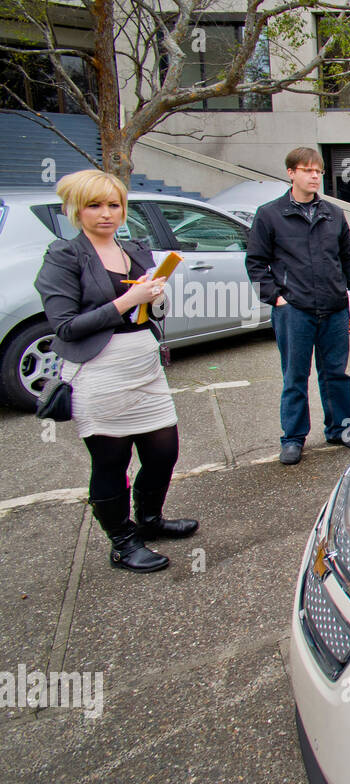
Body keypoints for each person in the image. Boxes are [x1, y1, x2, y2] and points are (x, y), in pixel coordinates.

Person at [34, 169, 197, 573]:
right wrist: (128, 300)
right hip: (98, 371)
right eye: (94, 205)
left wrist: (154, 298)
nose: (106, 214)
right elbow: (65, 325)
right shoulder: (64, 256)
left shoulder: (136, 248)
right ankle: (122, 542)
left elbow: (151, 311)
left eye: (113, 205)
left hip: (144, 366)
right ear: (75, 210)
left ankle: (149, 520)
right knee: (111, 461)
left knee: (163, 452)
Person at [245, 147, 350, 465]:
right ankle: (293, 438)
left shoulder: (333, 214)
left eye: (319, 171)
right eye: (308, 170)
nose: (314, 176)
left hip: (334, 306)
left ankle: (341, 429)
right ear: (291, 173)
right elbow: (255, 264)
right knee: (295, 376)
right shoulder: (270, 214)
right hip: (294, 309)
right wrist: (276, 297)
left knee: (336, 373)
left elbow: (348, 257)